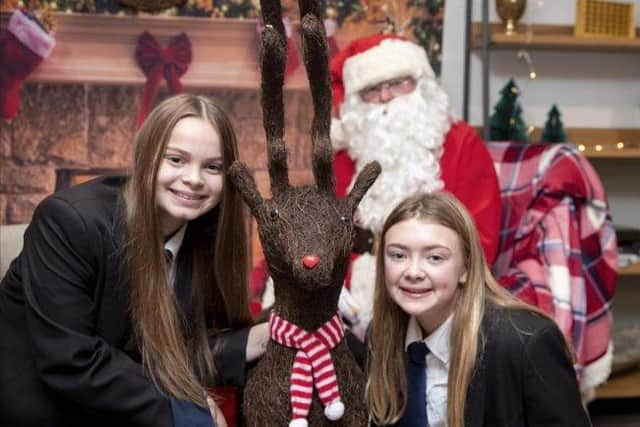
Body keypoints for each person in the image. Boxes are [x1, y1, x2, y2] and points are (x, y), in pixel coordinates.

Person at [0, 94, 269, 427]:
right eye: (176, 160)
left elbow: (160, 353)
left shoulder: (202, 234)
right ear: (147, 157)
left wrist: (253, 342)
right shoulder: (68, 221)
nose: (195, 178)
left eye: (212, 167)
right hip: (42, 410)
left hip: (115, 404)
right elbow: (70, 361)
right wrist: (182, 410)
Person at [326, 33, 503, 338]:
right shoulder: (342, 155)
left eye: (398, 83)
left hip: (436, 296)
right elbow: (321, 231)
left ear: (421, 84)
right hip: (351, 301)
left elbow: (479, 240)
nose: (386, 97)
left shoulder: (462, 145)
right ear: (355, 102)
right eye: (371, 90)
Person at [367, 191, 590, 427]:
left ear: (466, 267)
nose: (413, 272)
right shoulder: (382, 336)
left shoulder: (525, 342)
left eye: (434, 258)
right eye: (398, 255)